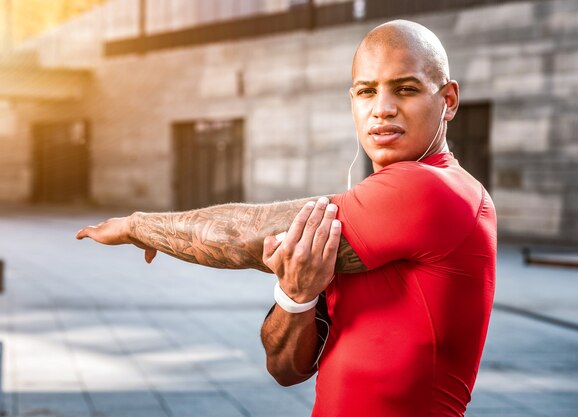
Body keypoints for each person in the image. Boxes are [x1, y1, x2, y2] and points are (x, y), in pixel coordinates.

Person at [77, 19, 496, 417]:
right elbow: (285, 368)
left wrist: (137, 226)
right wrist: (296, 295)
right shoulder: (379, 204)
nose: (382, 108)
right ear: (352, 100)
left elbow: (247, 236)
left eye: (405, 89)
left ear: (449, 100)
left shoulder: (436, 190)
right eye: (366, 91)